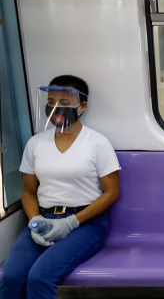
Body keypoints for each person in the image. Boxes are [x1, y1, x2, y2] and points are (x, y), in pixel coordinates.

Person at [0, 75, 121, 299]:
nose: (55, 108)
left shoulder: (97, 143)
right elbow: (28, 191)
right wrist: (36, 221)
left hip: (86, 223)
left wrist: (71, 222)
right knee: (11, 278)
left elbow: (112, 192)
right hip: (44, 219)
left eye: (64, 103)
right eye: (51, 102)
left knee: (40, 276)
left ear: (82, 106)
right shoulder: (35, 144)